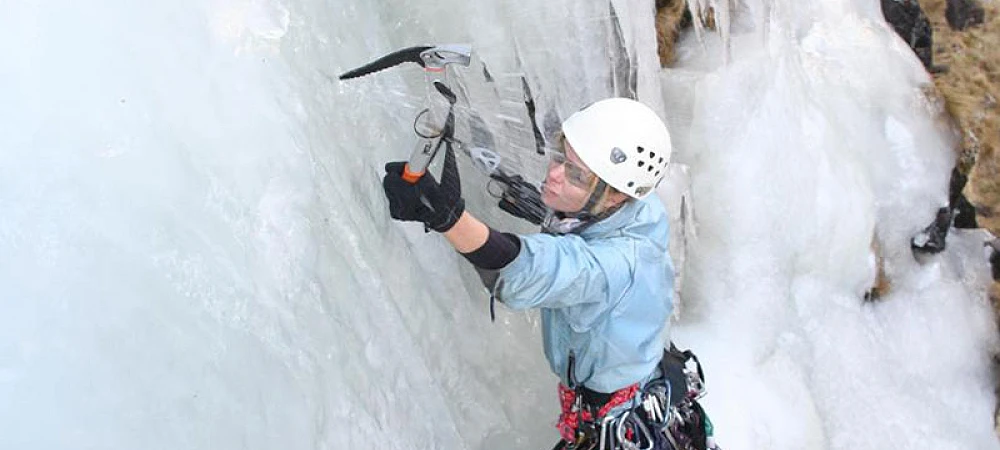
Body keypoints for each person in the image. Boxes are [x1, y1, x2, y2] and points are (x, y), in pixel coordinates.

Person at [382, 98, 681, 449]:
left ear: (615, 195)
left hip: (618, 426)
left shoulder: (615, 267)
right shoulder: (634, 208)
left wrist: (447, 218)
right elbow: (575, 226)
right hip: (642, 389)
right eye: (560, 158)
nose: (553, 175)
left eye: (574, 175)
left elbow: (539, 269)